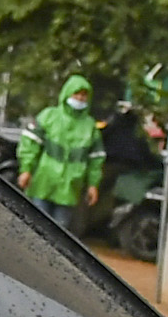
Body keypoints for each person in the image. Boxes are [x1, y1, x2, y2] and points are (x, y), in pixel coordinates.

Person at [17, 71, 106, 230]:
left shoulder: (90, 126)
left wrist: (93, 184)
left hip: (70, 187)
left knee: (58, 231)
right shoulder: (49, 116)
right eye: (76, 94)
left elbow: (96, 159)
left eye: (84, 96)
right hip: (43, 181)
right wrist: (26, 169)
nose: (80, 99)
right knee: (35, 226)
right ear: (67, 93)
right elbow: (30, 144)